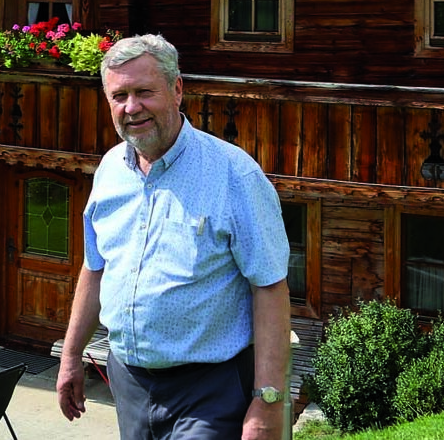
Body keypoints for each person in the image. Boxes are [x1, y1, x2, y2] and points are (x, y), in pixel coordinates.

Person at [56, 34, 291, 440]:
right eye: (119, 96)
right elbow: (95, 269)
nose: (132, 107)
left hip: (210, 389)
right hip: (129, 382)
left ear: (177, 89)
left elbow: (269, 287)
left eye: (144, 92)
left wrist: (267, 401)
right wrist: (71, 356)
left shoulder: (235, 176)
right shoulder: (110, 170)